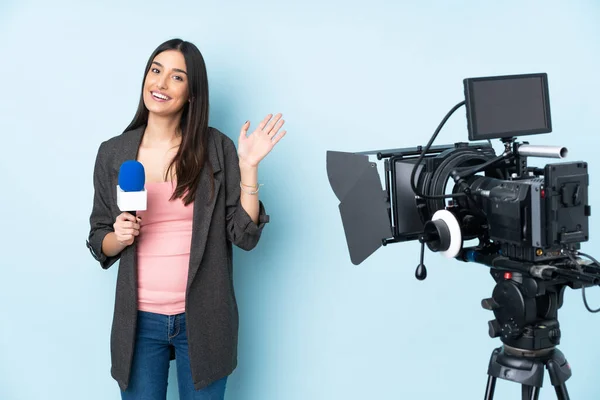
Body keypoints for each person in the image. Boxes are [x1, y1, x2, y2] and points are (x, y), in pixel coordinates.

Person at [86, 38, 286, 400]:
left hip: (205, 318)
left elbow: (244, 235)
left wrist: (249, 169)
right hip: (139, 323)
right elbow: (99, 237)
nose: (161, 84)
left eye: (176, 77)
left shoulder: (216, 148)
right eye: (156, 70)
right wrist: (119, 235)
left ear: (192, 93)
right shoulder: (113, 153)